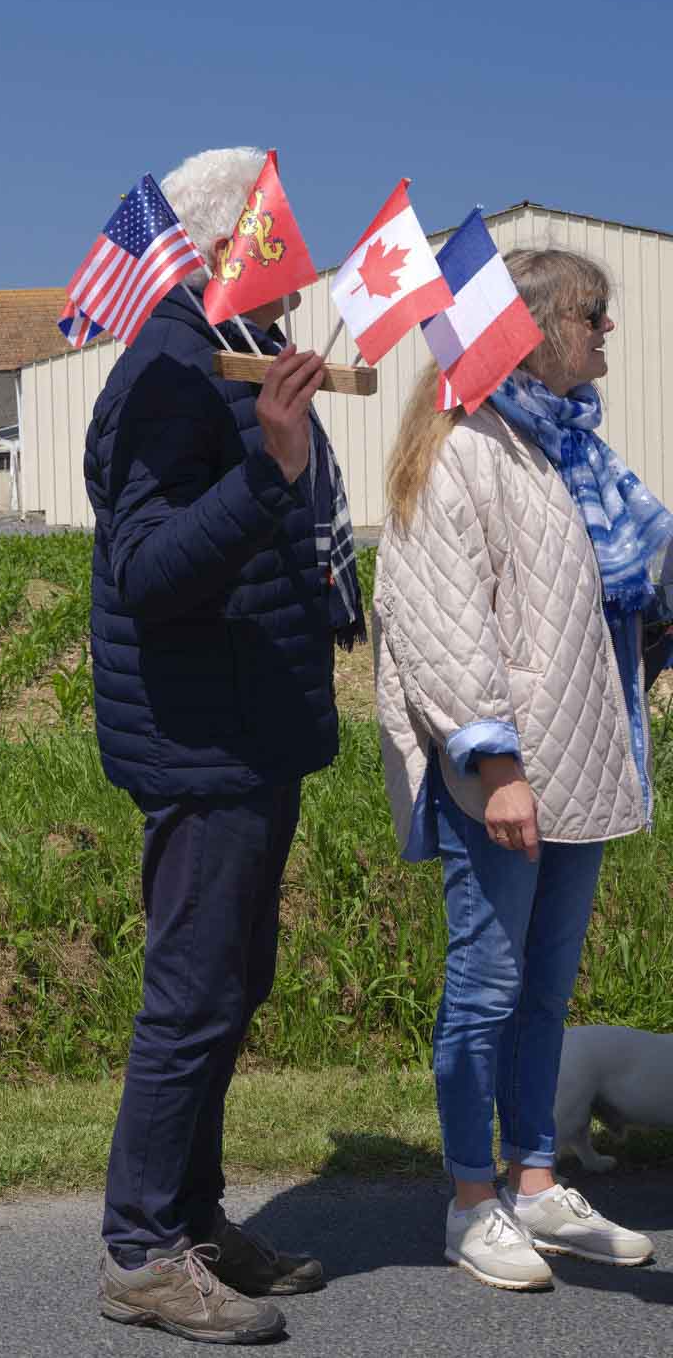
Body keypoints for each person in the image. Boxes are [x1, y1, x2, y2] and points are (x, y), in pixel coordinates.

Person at [86, 147, 362, 1344]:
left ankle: (189, 1219)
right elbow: (147, 569)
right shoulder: (165, 371)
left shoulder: (232, 360)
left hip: (249, 730)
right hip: (199, 741)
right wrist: (269, 463)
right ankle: (142, 1248)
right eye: (272, 239)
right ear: (210, 253)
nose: (291, 266)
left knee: (230, 985)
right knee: (192, 994)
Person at [374, 248, 666, 1290]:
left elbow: (624, 585)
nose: (605, 332)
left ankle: (534, 1182)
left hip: (577, 759)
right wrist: (492, 765)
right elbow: (439, 622)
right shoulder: (458, 450)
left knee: (543, 993)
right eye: (592, 314)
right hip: (501, 773)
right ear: (530, 328)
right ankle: (467, 1202)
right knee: (484, 990)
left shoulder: (570, 453)